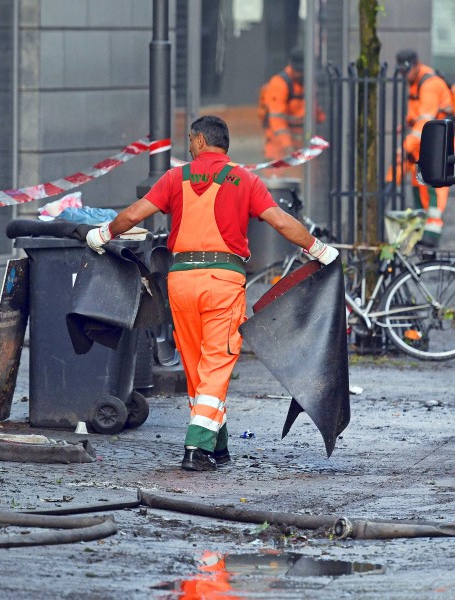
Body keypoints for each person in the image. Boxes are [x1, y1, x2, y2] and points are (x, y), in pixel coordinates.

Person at [87, 115, 338, 472]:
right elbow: (281, 221)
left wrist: (101, 235)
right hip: (222, 281)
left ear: (200, 140)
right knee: (216, 365)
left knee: (198, 369)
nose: (189, 147)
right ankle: (196, 448)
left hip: (181, 282)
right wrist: (319, 250)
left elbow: (134, 215)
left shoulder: (176, 178)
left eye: (190, 141)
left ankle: (217, 448)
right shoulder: (245, 180)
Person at [396, 48, 455, 247]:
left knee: (435, 182)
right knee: (419, 181)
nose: (405, 76)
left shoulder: (429, 84)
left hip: (440, 138)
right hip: (428, 137)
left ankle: (432, 231)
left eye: (407, 71)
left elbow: (424, 121)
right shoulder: (415, 82)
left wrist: (405, 146)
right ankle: (422, 227)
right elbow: (417, 115)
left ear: (416, 66)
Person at [261, 47, 326, 160]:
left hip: (301, 147)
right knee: (277, 176)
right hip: (279, 148)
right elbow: (277, 119)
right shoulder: (280, 84)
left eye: (303, 71)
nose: (301, 74)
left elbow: (316, 113)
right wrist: (287, 146)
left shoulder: (308, 84)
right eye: (299, 71)